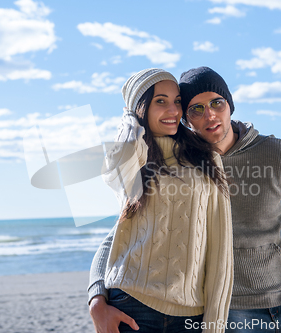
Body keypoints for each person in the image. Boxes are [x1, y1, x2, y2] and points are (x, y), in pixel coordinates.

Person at [88, 67, 281, 333]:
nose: (210, 115)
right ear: (186, 119)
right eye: (196, 109)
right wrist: (97, 295)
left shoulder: (278, 154)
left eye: (217, 103)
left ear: (230, 105)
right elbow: (123, 234)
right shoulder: (179, 162)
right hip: (227, 310)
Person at [89, 68, 233, 333]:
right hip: (131, 306)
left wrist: (214, 327)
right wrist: (131, 120)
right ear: (140, 108)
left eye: (177, 101)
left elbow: (219, 250)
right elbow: (117, 177)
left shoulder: (207, 158)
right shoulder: (133, 155)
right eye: (160, 101)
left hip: (191, 316)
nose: (173, 110)